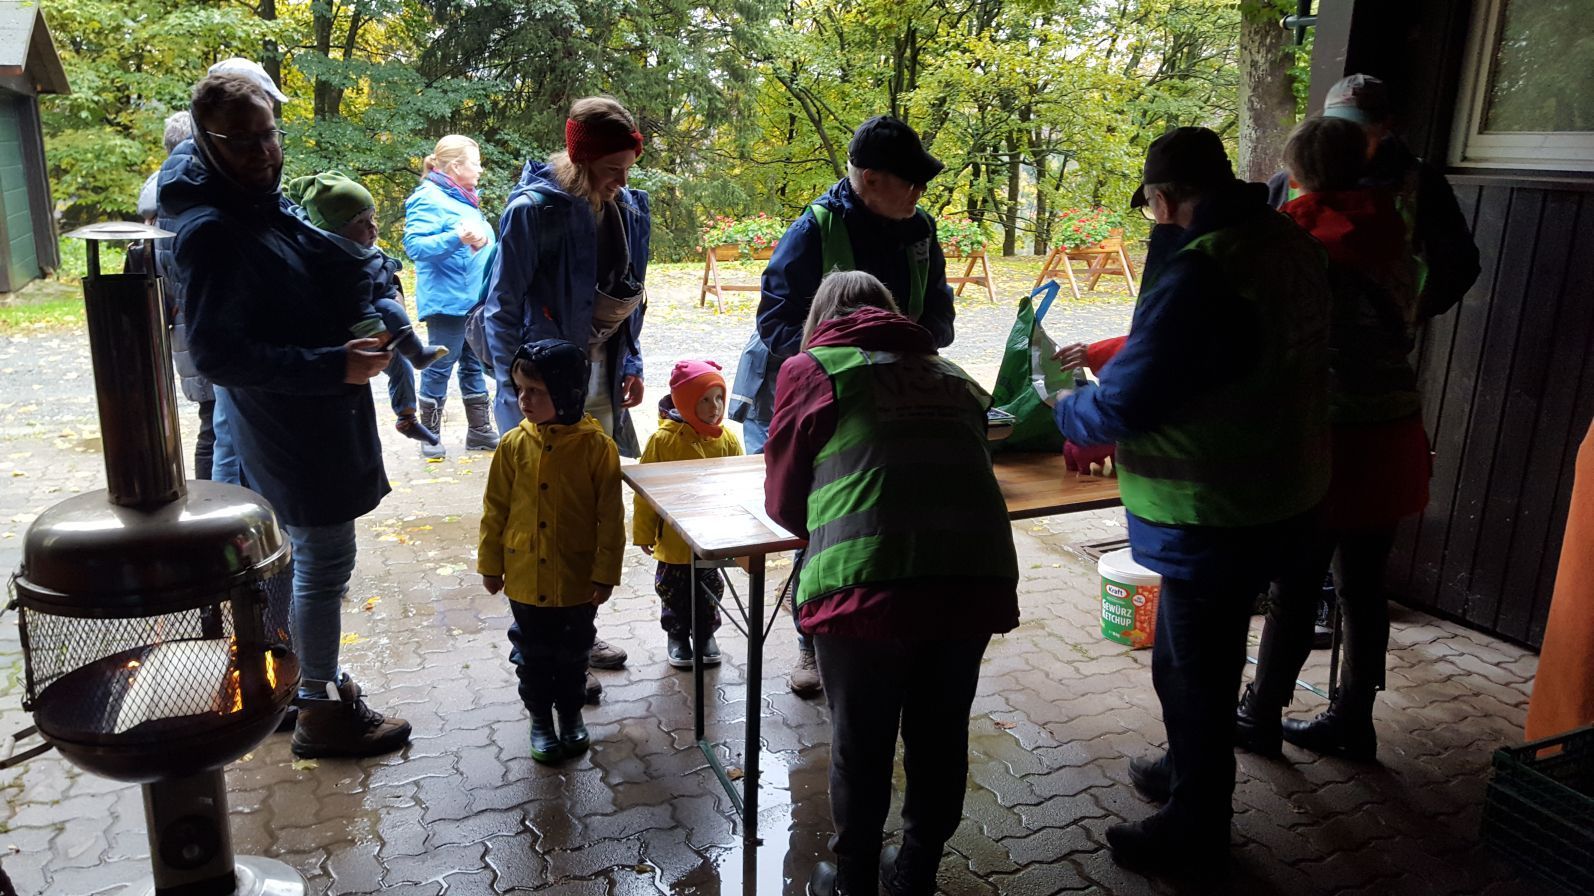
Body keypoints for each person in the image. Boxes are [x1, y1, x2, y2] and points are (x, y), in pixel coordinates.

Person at [1054, 127, 1332, 876]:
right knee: (1199, 657)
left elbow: (1130, 400)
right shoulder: (1285, 241)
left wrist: (1067, 411)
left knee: (1191, 672)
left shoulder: (1205, 269)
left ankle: (1196, 825)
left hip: (1215, 508)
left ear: (1163, 198)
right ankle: (1186, 770)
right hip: (1288, 489)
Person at [161, 72, 410, 758]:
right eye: (241, 140)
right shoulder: (213, 229)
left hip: (302, 417)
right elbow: (219, 354)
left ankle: (286, 684)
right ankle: (321, 713)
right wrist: (332, 364)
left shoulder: (254, 204)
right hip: (293, 425)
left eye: (269, 134)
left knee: (286, 560)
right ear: (207, 141)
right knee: (324, 561)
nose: (263, 151)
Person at [764, 271, 1018, 896]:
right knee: (940, 734)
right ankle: (914, 873)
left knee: (862, 741)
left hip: (865, 587)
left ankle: (853, 879)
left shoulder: (812, 369)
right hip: (970, 580)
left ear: (822, 319)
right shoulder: (954, 375)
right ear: (891, 314)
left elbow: (784, 501)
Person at [727, 114, 958, 699]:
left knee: (891, 513)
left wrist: (910, 344)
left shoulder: (919, 229)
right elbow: (776, 324)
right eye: (911, 182)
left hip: (896, 403)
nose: (920, 192)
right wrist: (844, 363)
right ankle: (813, 641)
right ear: (871, 179)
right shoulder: (814, 230)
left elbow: (940, 315)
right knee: (821, 522)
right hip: (823, 401)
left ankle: (890, 623)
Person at [1235, 116, 1433, 761]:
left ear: (1296, 173)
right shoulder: (1398, 234)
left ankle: (1261, 713)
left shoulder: (1296, 242)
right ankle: (1353, 718)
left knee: (1295, 586)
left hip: (1326, 440)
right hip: (1394, 433)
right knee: (1364, 588)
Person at [485, 95, 652, 683]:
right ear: (580, 162)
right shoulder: (533, 212)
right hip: (545, 383)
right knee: (542, 511)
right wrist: (516, 387)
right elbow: (501, 308)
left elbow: (635, 293)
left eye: (627, 170)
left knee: (586, 506)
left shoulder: (630, 208)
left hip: (601, 376)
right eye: (611, 170)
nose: (621, 183)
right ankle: (538, 649)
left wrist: (631, 358)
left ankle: (579, 634)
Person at [478, 339, 623, 764]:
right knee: (533, 657)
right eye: (520, 389)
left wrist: (605, 574)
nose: (524, 399)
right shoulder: (511, 445)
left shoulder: (597, 447)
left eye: (536, 391)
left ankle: (571, 715)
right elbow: (495, 509)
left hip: (577, 580)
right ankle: (540, 719)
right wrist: (490, 565)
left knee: (574, 655)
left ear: (566, 391)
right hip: (525, 578)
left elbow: (610, 518)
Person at [287, 171, 449, 445]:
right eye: (361, 222)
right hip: (367, 327)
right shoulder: (340, 264)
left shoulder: (355, 251)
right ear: (335, 230)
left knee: (400, 367)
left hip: (376, 309)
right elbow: (355, 307)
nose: (373, 227)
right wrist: (378, 332)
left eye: (373, 218)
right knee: (392, 315)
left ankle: (407, 418)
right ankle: (417, 353)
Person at [632, 360, 743, 668]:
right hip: (675, 541)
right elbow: (645, 493)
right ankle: (678, 636)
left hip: (712, 538)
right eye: (704, 399)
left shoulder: (727, 439)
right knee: (673, 590)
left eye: (719, 397)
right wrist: (643, 532)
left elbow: (739, 486)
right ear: (684, 401)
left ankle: (706, 634)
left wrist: (737, 531)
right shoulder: (663, 441)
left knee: (711, 589)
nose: (715, 407)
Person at [403, 134, 498, 458]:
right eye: (476, 163)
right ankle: (429, 436)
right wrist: (456, 238)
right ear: (456, 166)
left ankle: (480, 432)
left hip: (473, 300)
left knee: (473, 365)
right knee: (439, 366)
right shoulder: (428, 197)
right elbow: (415, 246)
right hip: (447, 301)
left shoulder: (463, 198)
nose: (480, 169)